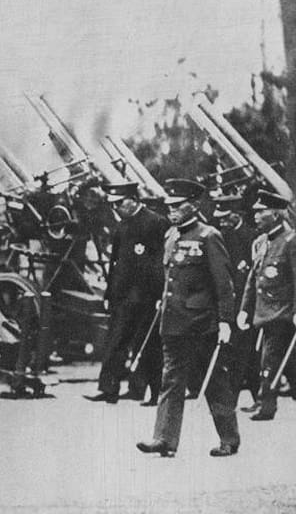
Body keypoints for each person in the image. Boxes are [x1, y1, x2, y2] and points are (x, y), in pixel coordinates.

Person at [136, 179, 239, 458]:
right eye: (169, 206)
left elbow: (223, 283)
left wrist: (225, 321)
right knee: (170, 379)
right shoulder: (170, 236)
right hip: (173, 322)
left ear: (193, 206)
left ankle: (229, 438)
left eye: (178, 206)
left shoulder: (209, 236)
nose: (172, 211)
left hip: (201, 323)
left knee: (214, 380)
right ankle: (164, 439)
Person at [86, 181, 167, 405]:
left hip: (146, 298)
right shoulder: (122, 226)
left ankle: (154, 391)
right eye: (114, 204)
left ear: (134, 200)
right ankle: (108, 389)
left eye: (120, 203)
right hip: (123, 298)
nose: (117, 208)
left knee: (149, 345)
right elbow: (115, 265)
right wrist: (109, 294)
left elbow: (160, 264)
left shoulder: (155, 223)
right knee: (114, 343)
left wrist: (159, 295)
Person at [236, 189, 296, 421]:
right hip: (264, 312)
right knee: (285, 362)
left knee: (269, 360)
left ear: (275, 214)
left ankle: (266, 405)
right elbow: (253, 280)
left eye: (261, 212)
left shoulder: (291, 241)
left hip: (282, 313)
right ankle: (266, 400)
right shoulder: (262, 243)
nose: (256, 216)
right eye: (256, 212)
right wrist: (244, 309)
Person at [210, 193, 261, 412]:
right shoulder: (221, 236)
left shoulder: (253, 237)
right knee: (235, 352)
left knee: (249, 352)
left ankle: (259, 397)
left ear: (237, 214)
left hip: (247, 304)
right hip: (228, 303)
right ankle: (235, 398)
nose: (221, 221)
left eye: (225, 217)